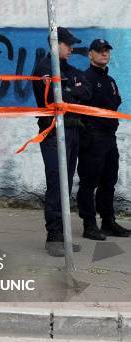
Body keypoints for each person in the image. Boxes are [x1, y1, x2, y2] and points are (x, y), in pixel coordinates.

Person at [32, 27, 91, 257]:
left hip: (73, 131)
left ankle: (63, 236)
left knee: (66, 185)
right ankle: (54, 236)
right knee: (57, 184)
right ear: (55, 44)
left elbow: (86, 92)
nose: (72, 49)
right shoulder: (44, 68)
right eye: (67, 44)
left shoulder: (68, 69)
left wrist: (72, 90)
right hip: (54, 132)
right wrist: (71, 90)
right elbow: (59, 97)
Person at [77, 39, 130, 239]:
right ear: (90, 54)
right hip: (92, 136)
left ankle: (108, 221)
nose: (104, 54)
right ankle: (89, 224)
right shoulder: (85, 78)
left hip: (109, 137)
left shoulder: (111, 81)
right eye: (100, 51)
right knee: (89, 182)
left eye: (107, 50)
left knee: (109, 181)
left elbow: (114, 106)